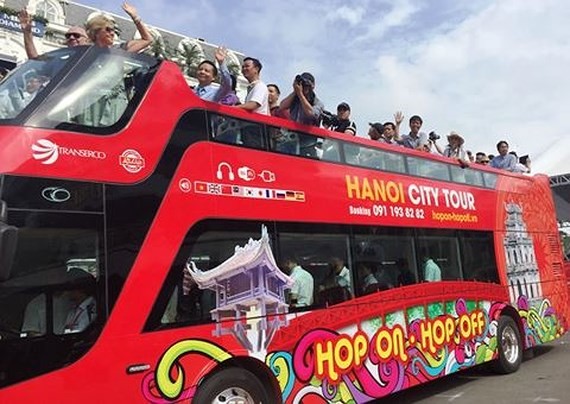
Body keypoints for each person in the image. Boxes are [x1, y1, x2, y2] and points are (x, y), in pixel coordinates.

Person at [19, 9, 88, 60]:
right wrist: (27, 33)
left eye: (76, 35)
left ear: (87, 40)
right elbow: (35, 60)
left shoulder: (94, 60)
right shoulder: (60, 61)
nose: (71, 38)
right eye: (68, 36)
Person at [85, 2, 152, 52]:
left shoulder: (120, 50)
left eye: (113, 30)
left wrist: (135, 18)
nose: (112, 33)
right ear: (96, 32)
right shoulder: (86, 51)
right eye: (108, 30)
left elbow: (147, 40)